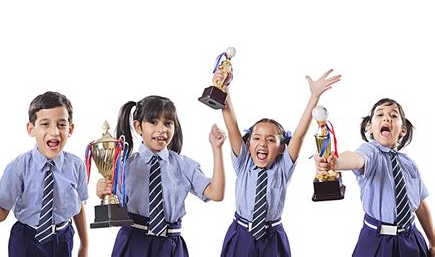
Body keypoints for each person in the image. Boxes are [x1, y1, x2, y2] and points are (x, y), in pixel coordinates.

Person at [216, 68, 341, 257]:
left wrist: (314, 97)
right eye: (257, 138)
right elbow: (232, 126)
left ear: (281, 148)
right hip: (241, 235)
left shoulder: (283, 168)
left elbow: (298, 136)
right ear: (248, 144)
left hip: (272, 238)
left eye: (271, 140)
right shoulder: (243, 164)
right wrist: (224, 88)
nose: (263, 144)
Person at [96, 95, 226, 257]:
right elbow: (116, 212)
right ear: (138, 127)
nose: (162, 129)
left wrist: (217, 149)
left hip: (170, 246)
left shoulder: (184, 165)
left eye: (168, 123)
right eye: (153, 122)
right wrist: (103, 192)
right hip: (133, 243)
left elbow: (216, 193)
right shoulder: (125, 166)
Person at [0, 91, 89, 257]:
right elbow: (0, 214)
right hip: (26, 241)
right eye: (45, 124)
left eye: (61, 124)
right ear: (31, 129)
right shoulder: (18, 168)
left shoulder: (76, 166)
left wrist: (84, 245)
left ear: (71, 129)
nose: (55, 132)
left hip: (63, 239)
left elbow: (78, 206)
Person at [315, 98, 435, 256]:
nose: (386, 118)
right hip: (376, 241)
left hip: (410, 239)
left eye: (393, 116)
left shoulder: (409, 164)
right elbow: (356, 159)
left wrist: (433, 241)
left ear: (403, 130)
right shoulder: (370, 152)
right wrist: (336, 162)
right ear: (369, 127)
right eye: (380, 114)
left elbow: (419, 205)